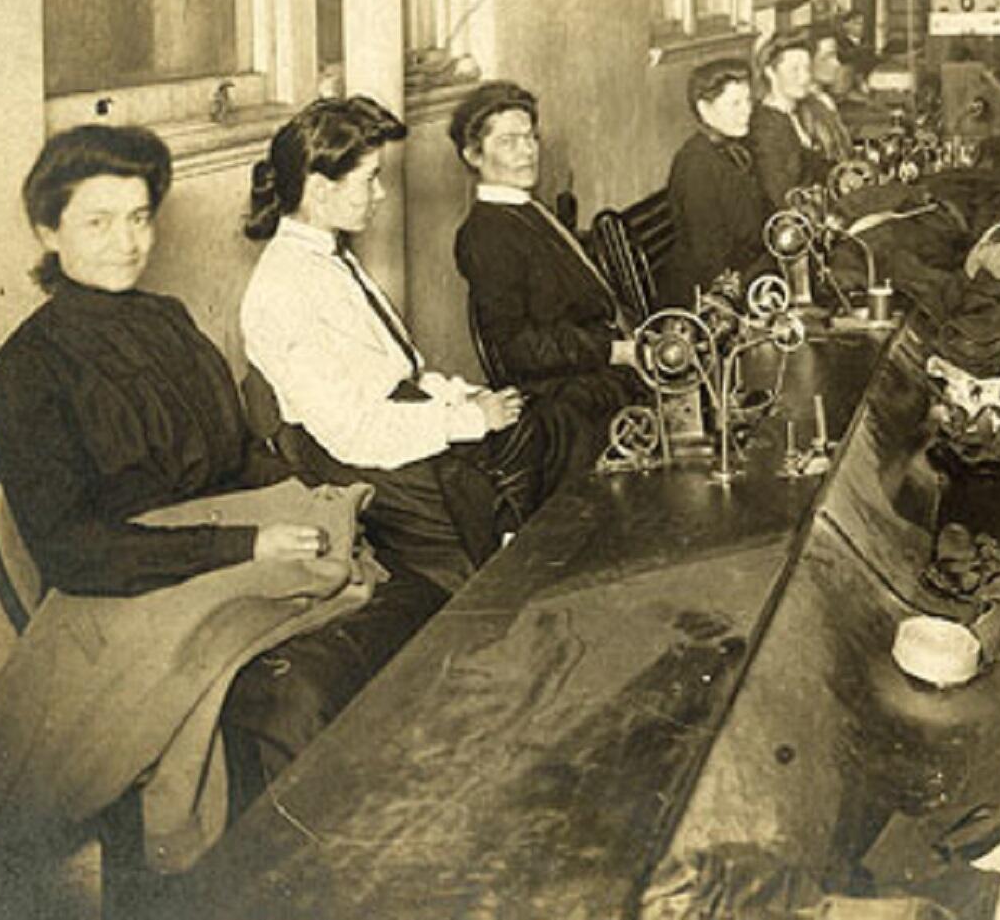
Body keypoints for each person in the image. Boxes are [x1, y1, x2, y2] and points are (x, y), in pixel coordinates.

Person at [0, 125, 441, 874]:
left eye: (139, 216)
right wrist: (247, 545)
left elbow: (234, 456)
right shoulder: (25, 368)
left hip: (221, 550)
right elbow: (70, 548)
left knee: (412, 593)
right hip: (123, 589)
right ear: (46, 228)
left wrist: (305, 498)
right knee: (302, 698)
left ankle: (401, 847)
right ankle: (303, 882)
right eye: (97, 221)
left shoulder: (169, 321)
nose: (126, 242)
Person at [242, 97, 575, 596]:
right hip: (362, 464)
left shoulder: (330, 257)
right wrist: (467, 419)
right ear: (318, 188)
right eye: (368, 179)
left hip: (394, 425)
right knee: (500, 514)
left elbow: (402, 371)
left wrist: (463, 399)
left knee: (542, 427)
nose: (379, 194)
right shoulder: (283, 288)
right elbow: (352, 433)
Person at [449, 81, 638, 431]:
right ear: (473, 155)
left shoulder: (527, 209)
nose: (527, 152)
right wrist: (616, 351)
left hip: (594, 370)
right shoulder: (487, 234)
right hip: (563, 399)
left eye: (530, 137)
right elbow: (516, 347)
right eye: (508, 142)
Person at [666, 58, 773, 302]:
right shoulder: (697, 165)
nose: (747, 110)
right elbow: (710, 258)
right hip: (705, 298)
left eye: (747, 100)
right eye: (735, 103)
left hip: (747, 275)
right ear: (705, 109)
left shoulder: (732, 151)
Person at [749, 31, 851, 205]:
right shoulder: (765, 128)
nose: (805, 78)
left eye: (806, 68)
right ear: (770, 72)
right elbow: (782, 198)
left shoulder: (798, 113)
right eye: (794, 69)